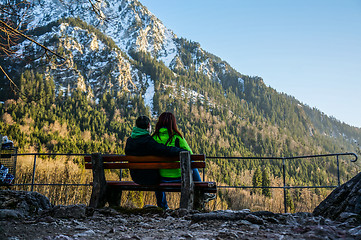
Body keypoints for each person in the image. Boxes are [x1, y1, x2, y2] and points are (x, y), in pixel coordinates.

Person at [152, 112, 216, 205]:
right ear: (173, 123)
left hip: (160, 178)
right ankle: (203, 193)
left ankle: (163, 206)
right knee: (192, 161)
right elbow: (190, 153)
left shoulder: (154, 138)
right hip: (179, 177)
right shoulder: (177, 137)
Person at [124, 115, 183, 209]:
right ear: (148, 126)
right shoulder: (149, 142)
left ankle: (163, 206)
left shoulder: (129, 141)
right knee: (160, 176)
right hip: (150, 178)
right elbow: (164, 150)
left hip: (135, 177)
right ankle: (163, 207)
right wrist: (179, 150)